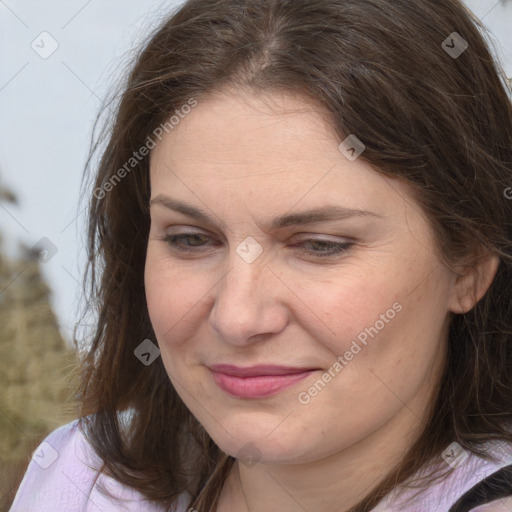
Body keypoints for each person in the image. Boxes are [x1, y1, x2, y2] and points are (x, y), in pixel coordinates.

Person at [8, 0, 512, 510]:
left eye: (320, 246)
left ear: (469, 265)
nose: (236, 317)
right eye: (191, 239)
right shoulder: (84, 478)